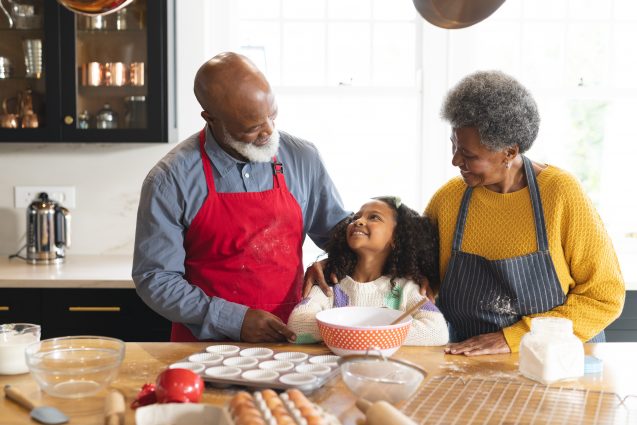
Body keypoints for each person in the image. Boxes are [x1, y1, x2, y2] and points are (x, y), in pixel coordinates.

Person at [132, 52, 349, 343]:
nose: (269, 131)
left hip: (293, 342)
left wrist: (334, 261)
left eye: (272, 116)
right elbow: (156, 279)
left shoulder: (303, 158)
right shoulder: (169, 179)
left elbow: (341, 237)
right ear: (211, 118)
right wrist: (233, 320)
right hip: (205, 350)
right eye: (252, 127)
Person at [425, 70, 625, 355]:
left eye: (469, 155)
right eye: (454, 145)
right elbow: (421, 273)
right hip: (471, 358)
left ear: (509, 151)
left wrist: (513, 337)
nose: (455, 160)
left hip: (557, 360)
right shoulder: (449, 199)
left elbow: (603, 297)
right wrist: (418, 279)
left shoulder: (559, 193)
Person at [288, 197, 449, 346]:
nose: (359, 221)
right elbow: (298, 326)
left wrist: (353, 333)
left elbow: (437, 331)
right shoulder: (331, 283)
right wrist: (382, 332)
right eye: (355, 217)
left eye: (374, 217)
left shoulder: (405, 289)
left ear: (396, 237)